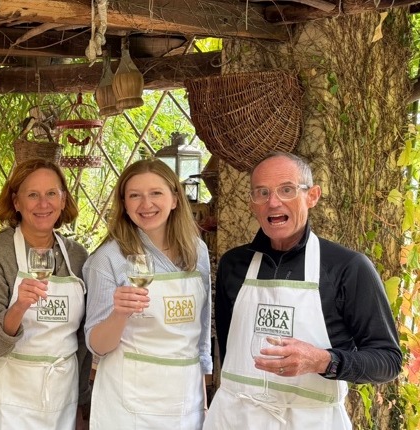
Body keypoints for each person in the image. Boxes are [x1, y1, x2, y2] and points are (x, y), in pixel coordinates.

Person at [203, 152, 401, 429]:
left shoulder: (347, 267)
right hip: (236, 418)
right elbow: (228, 349)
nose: (273, 202)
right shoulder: (234, 264)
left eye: (287, 190)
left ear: (312, 196)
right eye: (262, 192)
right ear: (252, 203)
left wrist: (324, 361)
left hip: (310, 420)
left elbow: (388, 360)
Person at [83, 159, 212, 429]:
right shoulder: (108, 259)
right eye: (135, 196)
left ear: (175, 199)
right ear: (124, 204)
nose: (146, 204)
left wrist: (203, 401)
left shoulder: (196, 251)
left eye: (156, 193)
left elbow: (199, 336)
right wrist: (119, 314)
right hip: (129, 405)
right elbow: (97, 346)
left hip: (184, 401)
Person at [0, 159, 93, 429]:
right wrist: (18, 307)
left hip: (62, 392)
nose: (43, 204)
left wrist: (82, 397)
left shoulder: (77, 257)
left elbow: (84, 339)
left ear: (63, 200)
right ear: (16, 202)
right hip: (8, 397)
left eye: (51, 193)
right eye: (32, 195)